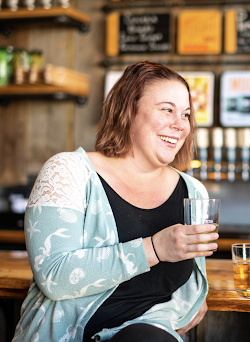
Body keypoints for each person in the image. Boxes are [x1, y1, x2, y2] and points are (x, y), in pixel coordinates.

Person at [13, 61, 217, 342]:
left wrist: (192, 298)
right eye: (167, 110)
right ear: (128, 110)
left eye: (186, 114)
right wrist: (155, 248)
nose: (180, 125)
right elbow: (54, 277)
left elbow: (194, 278)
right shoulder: (68, 171)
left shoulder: (193, 191)